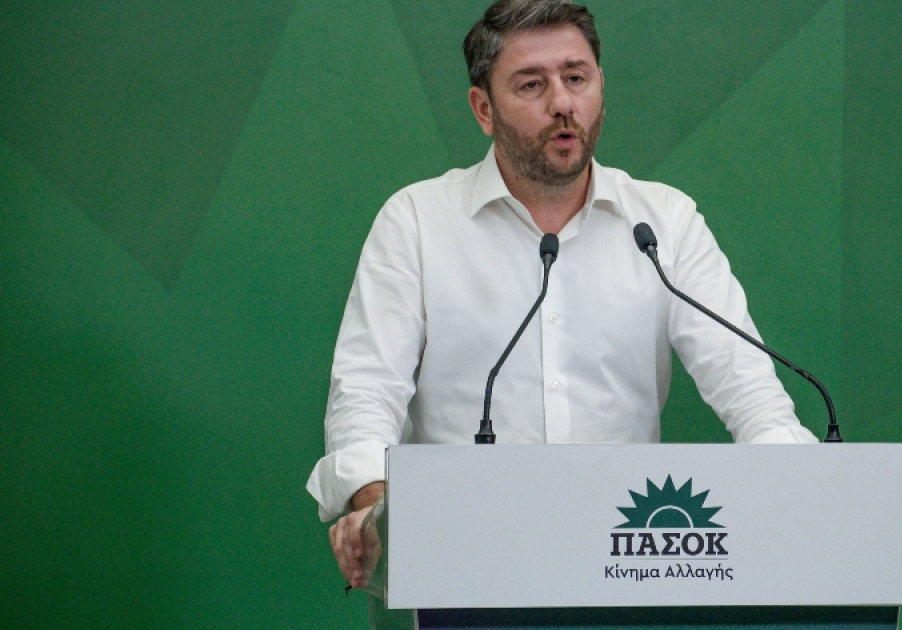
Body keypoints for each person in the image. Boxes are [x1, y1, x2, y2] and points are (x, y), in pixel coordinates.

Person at [309, 0, 819, 591]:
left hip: (629, 564)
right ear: (483, 109)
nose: (562, 103)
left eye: (576, 78)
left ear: (600, 86)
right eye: (532, 84)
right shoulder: (417, 222)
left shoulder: (664, 223)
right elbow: (367, 392)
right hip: (463, 561)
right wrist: (377, 508)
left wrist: (807, 490)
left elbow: (750, 391)